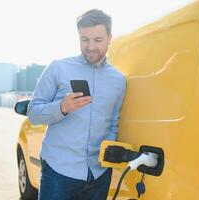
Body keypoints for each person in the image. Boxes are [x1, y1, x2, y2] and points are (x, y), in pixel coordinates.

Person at [27, 9, 126, 200]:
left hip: (99, 174)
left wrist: (106, 158)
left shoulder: (119, 80)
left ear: (110, 38)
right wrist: (62, 108)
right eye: (84, 39)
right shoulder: (58, 68)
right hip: (58, 171)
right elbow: (33, 113)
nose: (90, 46)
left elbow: (113, 122)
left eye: (97, 40)